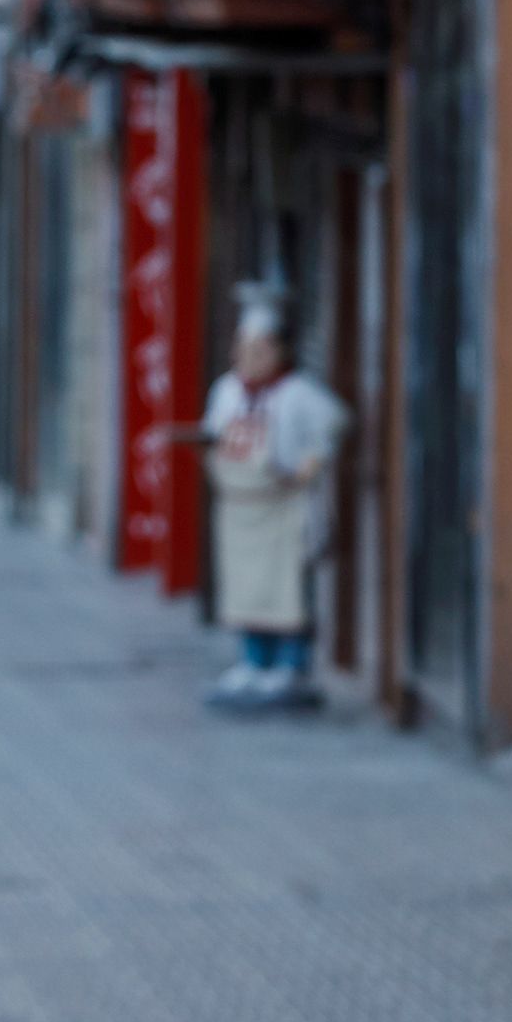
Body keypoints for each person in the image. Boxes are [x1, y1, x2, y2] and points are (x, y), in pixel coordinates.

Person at [199, 294, 349, 711]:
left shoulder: (298, 393)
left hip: (282, 507)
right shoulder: (227, 391)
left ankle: (290, 664)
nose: (249, 358)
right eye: (243, 349)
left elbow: (333, 424)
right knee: (245, 588)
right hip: (239, 507)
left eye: (259, 350)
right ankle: (253, 660)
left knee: (286, 590)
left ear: (280, 352)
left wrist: (308, 465)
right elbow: (214, 435)